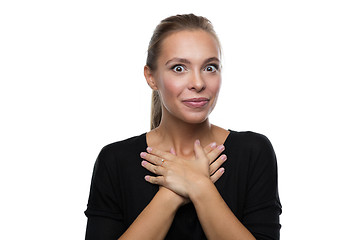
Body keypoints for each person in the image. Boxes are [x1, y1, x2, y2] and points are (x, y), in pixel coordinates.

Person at [84, 13, 281, 240]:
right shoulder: (115, 160)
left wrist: (199, 186)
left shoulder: (254, 151)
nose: (198, 83)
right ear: (151, 77)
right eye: (179, 68)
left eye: (210, 67)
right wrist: (170, 195)